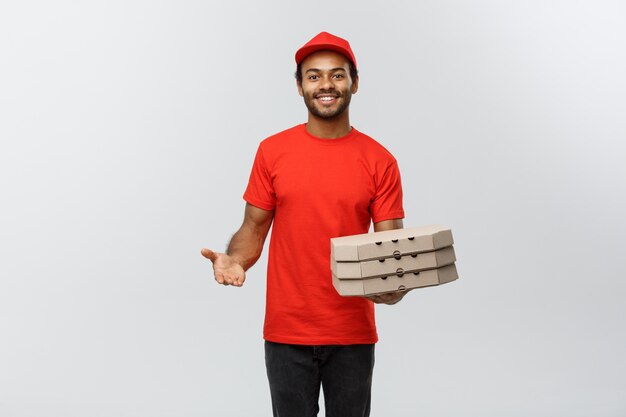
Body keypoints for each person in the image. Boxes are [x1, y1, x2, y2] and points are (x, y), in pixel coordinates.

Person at [201, 31, 408, 417]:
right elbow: (254, 227)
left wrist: (397, 285)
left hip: (351, 331)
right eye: (313, 76)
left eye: (337, 74)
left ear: (354, 82)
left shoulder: (380, 160)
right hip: (287, 330)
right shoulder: (272, 151)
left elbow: (390, 248)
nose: (326, 84)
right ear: (299, 87)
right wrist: (235, 260)